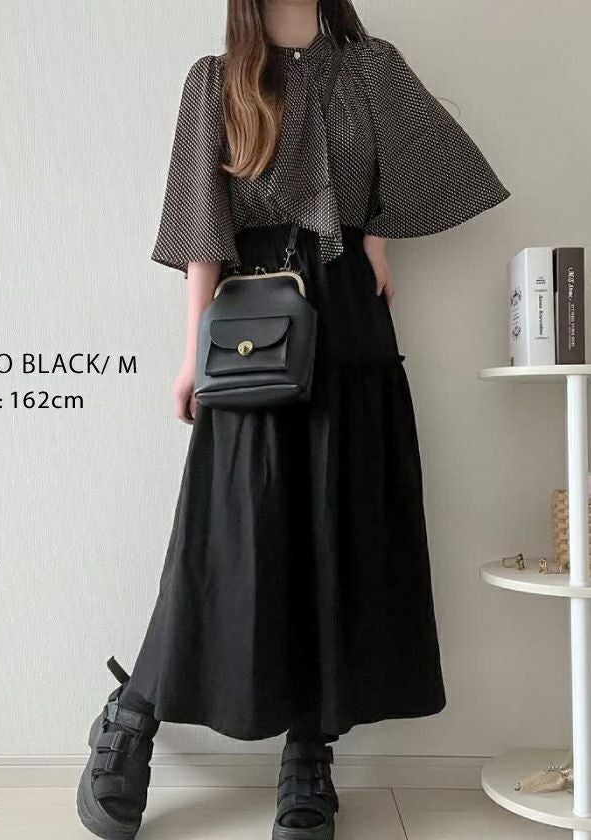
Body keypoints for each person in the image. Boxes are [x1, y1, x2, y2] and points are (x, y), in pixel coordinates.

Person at [77, 2, 510, 838]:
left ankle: (309, 749)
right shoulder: (215, 81)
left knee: (337, 533)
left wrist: (377, 233)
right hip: (251, 323)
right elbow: (202, 227)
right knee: (226, 537)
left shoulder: (372, 67)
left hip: (348, 317)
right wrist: (191, 354)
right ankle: (133, 712)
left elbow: (425, 168)